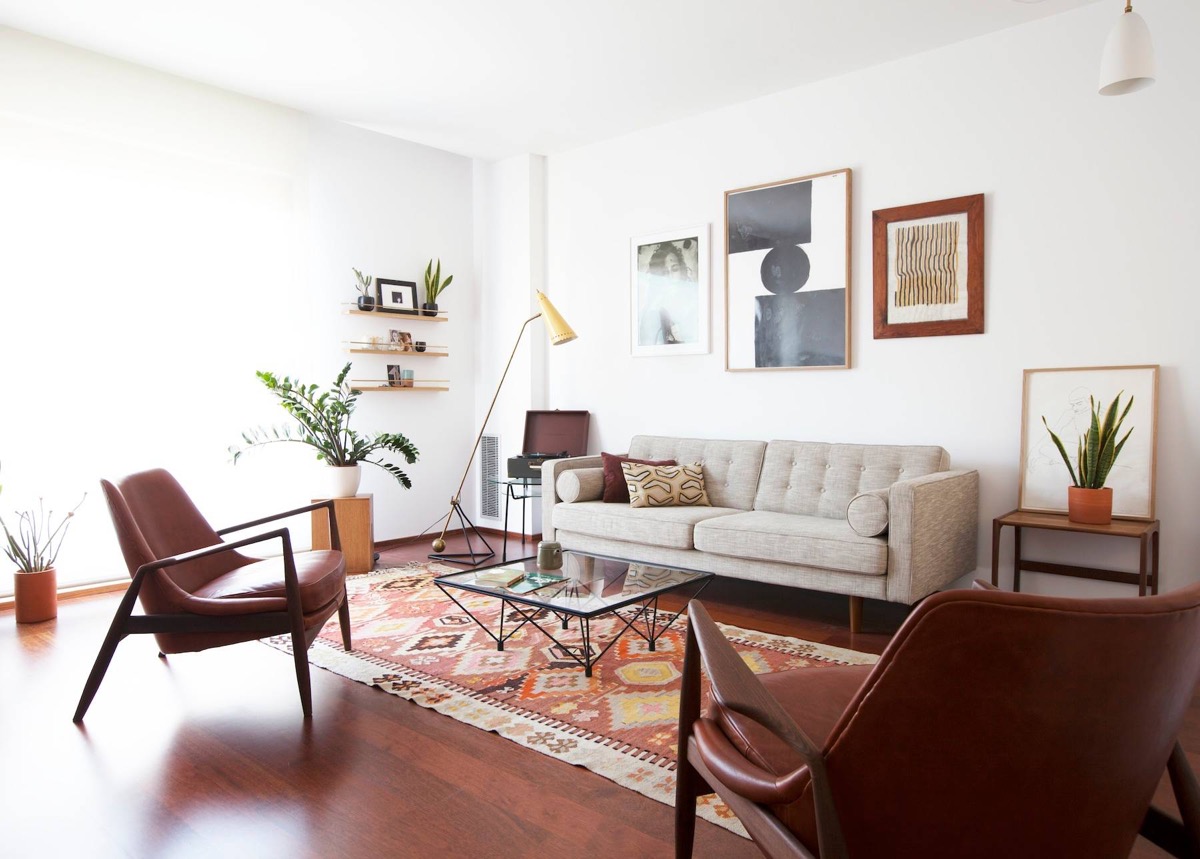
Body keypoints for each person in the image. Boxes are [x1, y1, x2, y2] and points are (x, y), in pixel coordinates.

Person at [637, 240, 697, 347]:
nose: (669, 275)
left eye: (674, 269)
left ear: (682, 271)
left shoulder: (694, 304)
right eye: (664, 272)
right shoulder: (652, 313)